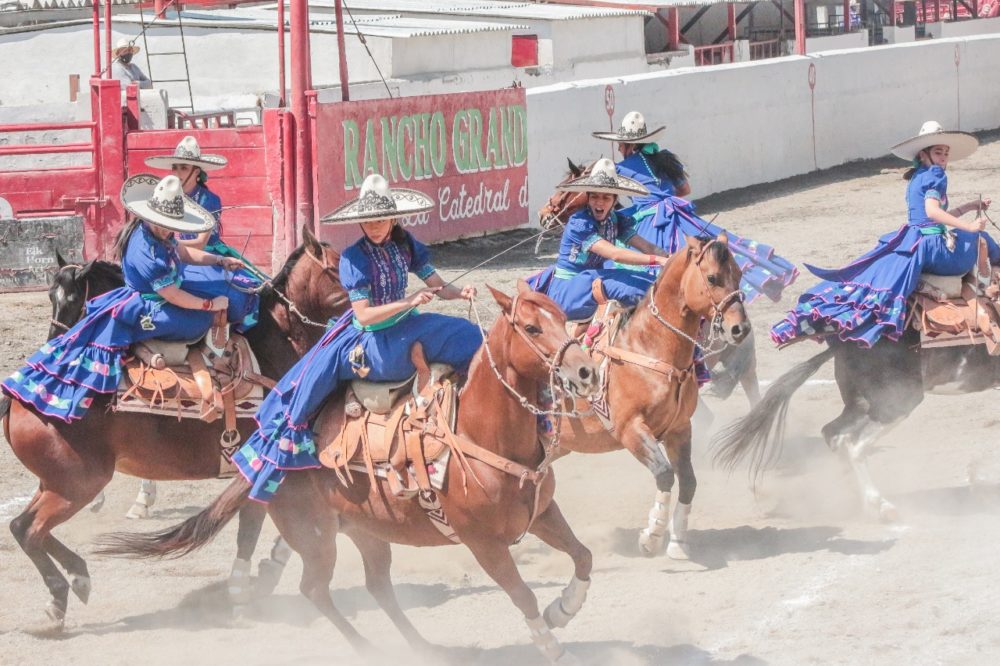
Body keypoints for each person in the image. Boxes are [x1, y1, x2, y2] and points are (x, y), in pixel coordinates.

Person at [232, 174, 481, 502]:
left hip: (408, 325)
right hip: (374, 342)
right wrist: (407, 302)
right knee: (418, 349)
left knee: (473, 335)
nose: (374, 226)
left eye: (380, 219)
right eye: (368, 220)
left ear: (393, 218)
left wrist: (459, 292)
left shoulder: (405, 246)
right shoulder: (353, 258)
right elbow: (363, 315)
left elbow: (437, 284)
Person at [1, 175, 240, 422]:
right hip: (148, 308)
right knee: (200, 321)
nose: (170, 228)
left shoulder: (151, 233)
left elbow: (180, 250)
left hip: (151, 297)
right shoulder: (146, 252)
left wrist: (218, 260)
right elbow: (173, 295)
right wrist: (210, 305)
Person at [772, 120, 998, 347]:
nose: (943, 157)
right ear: (923, 154)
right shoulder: (936, 174)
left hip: (916, 241)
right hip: (933, 249)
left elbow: (934, 214)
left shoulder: (917, 177)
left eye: (945, 153)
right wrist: (968, 227)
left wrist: (968, 207)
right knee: (981, 238)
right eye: (938, 152)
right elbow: (932, 211)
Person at [593, 110, 798, 304]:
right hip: (679, 214)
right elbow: (684, 189)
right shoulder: (665, 158)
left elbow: (605, 195)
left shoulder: (623, 168)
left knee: (637, 259)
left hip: (651, 220)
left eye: (620, 145)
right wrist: (664, 196)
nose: (619, 149)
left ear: (628, 145)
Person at [145, 136, 263, 331]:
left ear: (196, 172)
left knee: (242, 289)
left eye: (183, 168)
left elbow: (200, 244)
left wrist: (170, 245)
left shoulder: (209, 200)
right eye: (175, 168)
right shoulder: (167, 197)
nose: (177, 173)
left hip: (206, 255)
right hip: (174, 253)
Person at [529, 158, 669, 322]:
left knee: (656, 284)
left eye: (606, 197)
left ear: (614, 200)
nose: (599, 202)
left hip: (592, 281)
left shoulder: (615, 221)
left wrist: (670, 258)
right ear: (587, 198)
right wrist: (657, 260)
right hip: (568, 290)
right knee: (633, 285)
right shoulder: (579, 223)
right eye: (594, 196)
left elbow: (646, 246)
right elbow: (615, 254)